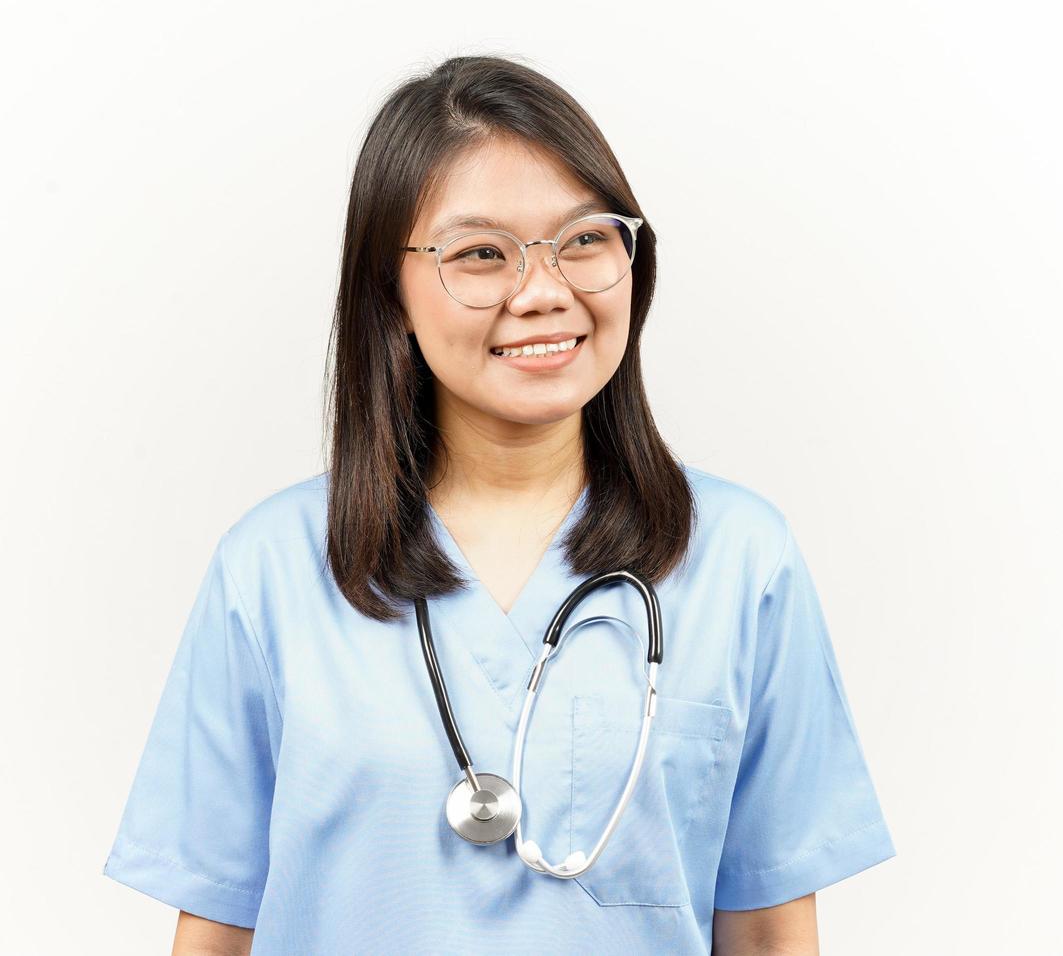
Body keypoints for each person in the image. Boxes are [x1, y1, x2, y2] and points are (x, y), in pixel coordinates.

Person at [102, 54, 895, 954]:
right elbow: (216, 929)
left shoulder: (742, 560)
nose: (544, 291)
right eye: (481, 254)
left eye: (586, 240)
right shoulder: (273, 570)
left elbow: (766, 932)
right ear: (388, 293)